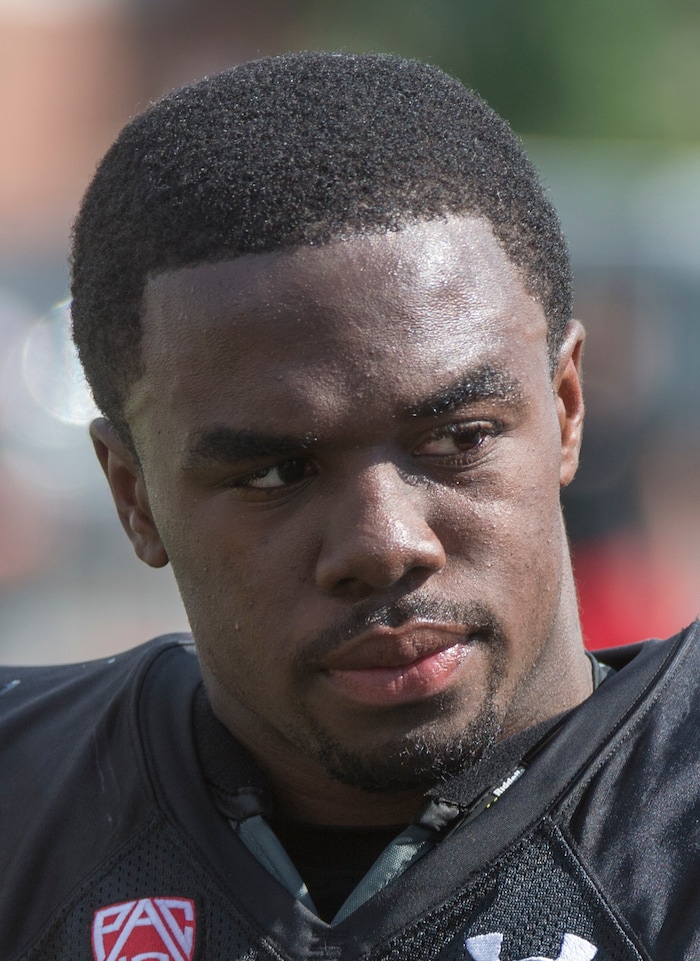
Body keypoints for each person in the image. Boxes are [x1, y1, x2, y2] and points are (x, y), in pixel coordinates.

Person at [0, 52, 697, 961]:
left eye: (459, 438)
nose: (385, 543)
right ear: (134, 496)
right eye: (275, 474)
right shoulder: (27, 802)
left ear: (565, 409)